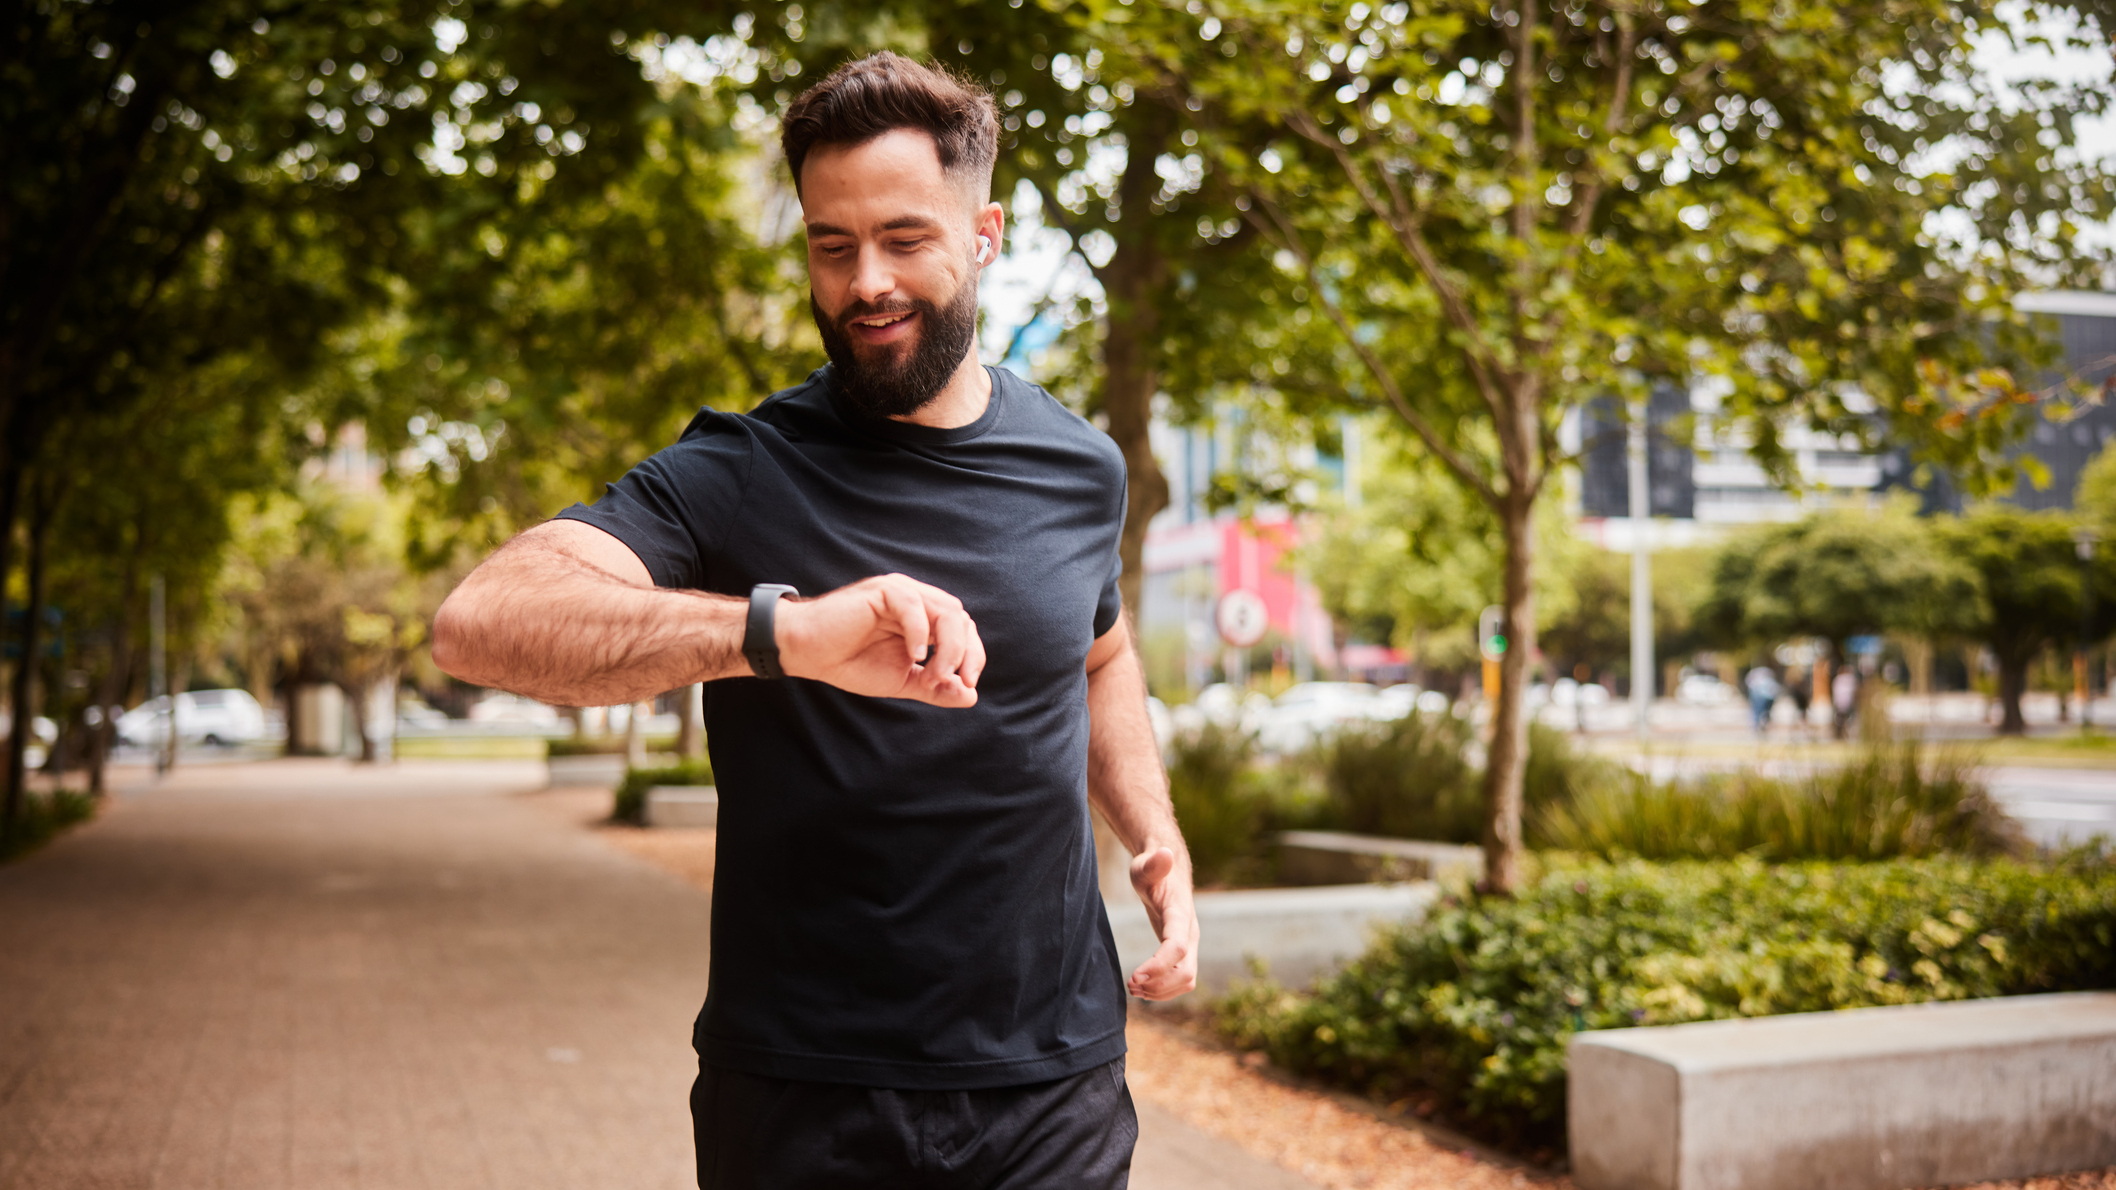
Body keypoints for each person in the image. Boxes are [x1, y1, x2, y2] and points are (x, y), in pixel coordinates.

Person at [430, 53, 1197, 1190]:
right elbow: (478, 622)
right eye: (830, 246)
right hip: (804, 1092)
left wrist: (1152, 832)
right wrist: (781, 634)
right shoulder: (742, 467)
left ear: (984, 233)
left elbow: (1095, 651)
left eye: (903, 238)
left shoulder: (1081, 468)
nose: (865, 281)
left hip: (1055, 1083)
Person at [1744, 664, 1781, 737]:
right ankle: (1759, 726)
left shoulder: (1759, 680)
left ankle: (1759, 726)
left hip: (1762, 697)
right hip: (1764, 697)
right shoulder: (1767, 678)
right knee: (1761, 713)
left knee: (1759, 713)